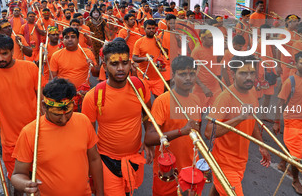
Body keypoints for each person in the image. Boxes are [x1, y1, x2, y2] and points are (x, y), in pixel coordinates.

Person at [82, 40, 153, 195]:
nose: (121, 68)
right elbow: (88, 137)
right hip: (106, 161)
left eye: (125, 63)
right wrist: (91, 168)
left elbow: (147, 114)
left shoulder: (139, 86)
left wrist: (148, 138)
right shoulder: (93, 96)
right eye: (114, 64)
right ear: (105, 66)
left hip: (134, 158)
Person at [11, 78, 104, 196]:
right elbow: (17, 175)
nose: (64, 120)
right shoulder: (30, 133)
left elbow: (94, 159)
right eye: (57, 114)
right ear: (44, 107)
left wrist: (100, 192)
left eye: (68, 113)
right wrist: (26, 184)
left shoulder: (83, 121)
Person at [205, 55, 271, 196]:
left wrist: (261, 145)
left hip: (240, 160)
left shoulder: (252, 91)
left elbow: (251, 120)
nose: (249, 77)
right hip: (224, 162)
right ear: (233, 74)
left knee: (218, 189)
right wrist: (239, 117)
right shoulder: (225, 98)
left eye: (252, 73)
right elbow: (209, 131)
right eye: (243, 73)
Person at [0, 34, 38, 194]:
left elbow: (42, 101)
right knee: (18, 183)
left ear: (13, 51)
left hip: (36, 136)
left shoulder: (30, 68)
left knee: (39, 181)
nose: (0, 58)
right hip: (11, 141)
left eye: (4, 53)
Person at [144, 56, 201, 196]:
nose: (188, 78)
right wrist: (181, 131)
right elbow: (149, 138)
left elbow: (196, 131)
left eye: (192, 74)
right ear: (173, 76)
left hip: (191, 168)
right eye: (182, 74)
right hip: (167, 170)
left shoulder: (196, 100)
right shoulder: (162, 101)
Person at [274, 51, 302, 195]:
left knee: (293, 145)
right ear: (295, 64)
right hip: (292, 121)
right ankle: (296, 181)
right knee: (297, 153)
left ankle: (282, 163)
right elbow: (280, 104)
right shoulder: (290, 82)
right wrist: (276, 122)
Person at [133, 19, 165, 98]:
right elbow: (134, 58)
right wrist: (145, 58)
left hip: (158, 77)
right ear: (144, 29)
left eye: (153, 28)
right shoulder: (139, 42)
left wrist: (160, 46)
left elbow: (166, 53)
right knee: (145, 102)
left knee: (159, 100)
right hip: (144, 77)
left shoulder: (158, 40)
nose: (151, 30)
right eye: (149, 28)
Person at [191, 29, 222, 106]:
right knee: (198, 114)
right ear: (203, 38)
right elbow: (191, 72)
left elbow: (216, 60)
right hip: (201, 89)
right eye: (210, 38)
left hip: (215, 86)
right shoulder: (196, 51)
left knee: (218, 110)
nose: (213, 40)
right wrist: (203, 87)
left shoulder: (213, 47)